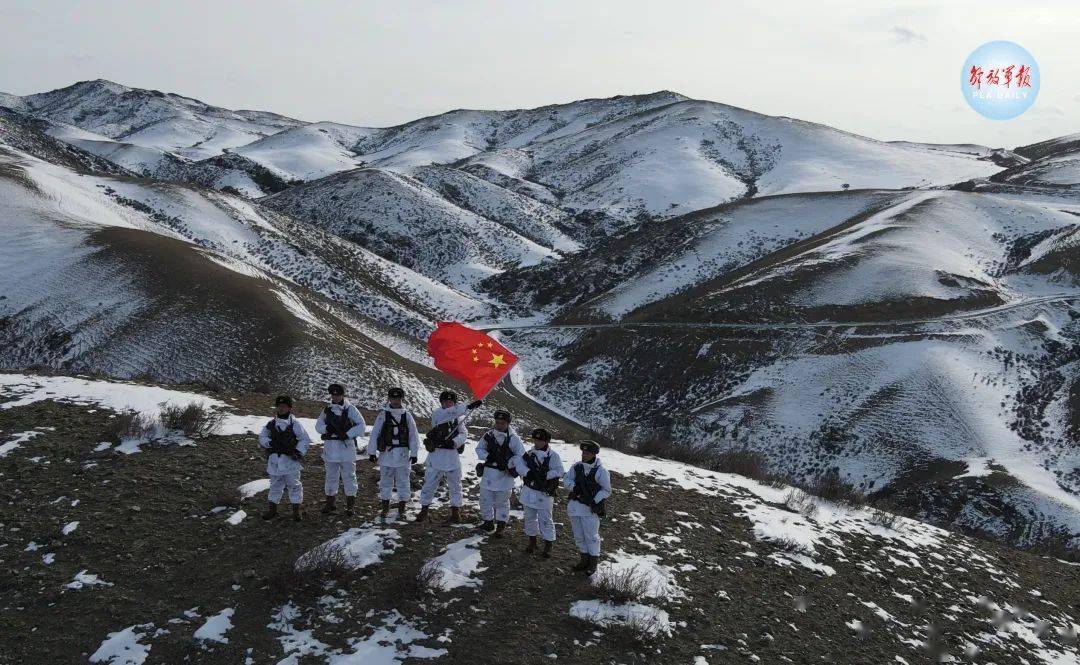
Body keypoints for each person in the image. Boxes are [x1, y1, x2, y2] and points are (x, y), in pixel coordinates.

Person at [417, 391, 482, 524]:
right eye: (446, 401)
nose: (449, 403)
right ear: (441, 403)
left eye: (451, 401)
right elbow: (448, 414)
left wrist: (455, 442)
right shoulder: (438, 414)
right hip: (437, 456)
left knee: (455, 485)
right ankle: (424, 510)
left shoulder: (457, 418)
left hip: (452, 456)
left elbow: (464, 433)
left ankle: (455, 513)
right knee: (429, 484)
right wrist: (468, 407)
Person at [367, 387, 419, 522]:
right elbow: (375, 433)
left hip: (402, 455)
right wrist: (372, 452)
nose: (395, 401)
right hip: (386, 455)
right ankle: (385, 508)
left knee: (403, 482)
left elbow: (413, 435)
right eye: (393, 398)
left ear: (402, 399)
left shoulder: (407, 415)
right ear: (389, 399)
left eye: (398, 398)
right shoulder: (382, 415)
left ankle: (402, 509)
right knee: (385, 482)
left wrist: (414, 453)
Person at [314, 383, 366, 516]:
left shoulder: (351, 409)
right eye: (333, 395)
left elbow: (361, 426)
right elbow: (318, 425)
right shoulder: (327, 410)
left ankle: (350, 506)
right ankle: (330, 504)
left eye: (338, 395)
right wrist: (326, 429)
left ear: (342, 395)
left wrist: (348, 434)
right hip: (331, 448)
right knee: (331, 477)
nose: (335, 397)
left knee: (349, 477)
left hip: (346, 448)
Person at [258, 395, 312, 522]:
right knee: (275, 485)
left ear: (289, 408)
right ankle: (272, 510)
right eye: (279, 406)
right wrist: (270, 443)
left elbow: (305, 439)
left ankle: (296, 511)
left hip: (290, 461)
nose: (281, 409)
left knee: (294, 485)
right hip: (275, 460)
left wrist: (298, 452)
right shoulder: (271, 424)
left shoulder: (295, 424)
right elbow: (262, 437)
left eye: (284, 406)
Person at [512, 428, 564, 558]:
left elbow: (559, 471)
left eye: (540, 440)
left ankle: (548, 544)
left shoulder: (553, 456)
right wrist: (528, 473)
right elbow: (520, 466)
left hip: (544, 492)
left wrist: (545, 475)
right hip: (529, 490)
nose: (537, 442)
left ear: (546, 441)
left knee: (546, 519)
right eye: (535, 440)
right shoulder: (529, 454)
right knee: (529, 518)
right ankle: (532, 542)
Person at [474, 410, 525, 537]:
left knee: (502, 502)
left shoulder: (514, 439)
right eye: (497, 422)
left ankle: (501, 526)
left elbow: (520, 455)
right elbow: (479, 448)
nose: (499, 425)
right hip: (489, 474)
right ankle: (488, 522)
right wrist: (488, 456)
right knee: (484, 500)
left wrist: (509, 463)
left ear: (508, 423)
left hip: (504, 476)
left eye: (502, 423)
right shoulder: (488, 435)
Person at [563, 440, 611, 574]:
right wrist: (574, 487)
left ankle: (593, 563)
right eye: (583, 452)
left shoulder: (601, 471)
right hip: (575, 506)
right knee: (578, 535)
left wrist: (594, 500)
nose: (584, 455)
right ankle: (583, 560)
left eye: (587, 453)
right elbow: (566, 479)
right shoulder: (577, 466)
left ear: (594, 454)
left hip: (590, 508)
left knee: (591, 536)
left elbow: (607, 490)